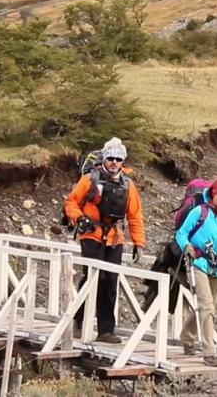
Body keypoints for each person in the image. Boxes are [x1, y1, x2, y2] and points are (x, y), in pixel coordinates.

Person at [64, 139, 146, 344]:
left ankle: (106, 330)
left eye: (118, 159)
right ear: (104, 158)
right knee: (93, 278)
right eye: (111, 158)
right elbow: (71, 202)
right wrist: (79, 218)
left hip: (115, 237)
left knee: (110, 282)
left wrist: (138, 242)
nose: (114, 162)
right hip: (91, 233)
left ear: (123, 161)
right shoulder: (89, 179)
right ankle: (79, 319)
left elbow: (135, 215)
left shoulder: (128, 185)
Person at [175, 177, 217, 367]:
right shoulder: (199, 212)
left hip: (216, 265)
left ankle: (187, 336)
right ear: (212, 195)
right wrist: (187, 246)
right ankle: (209, 351)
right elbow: (181, 233)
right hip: (198, 262)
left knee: (209, 306)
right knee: (207, 306)